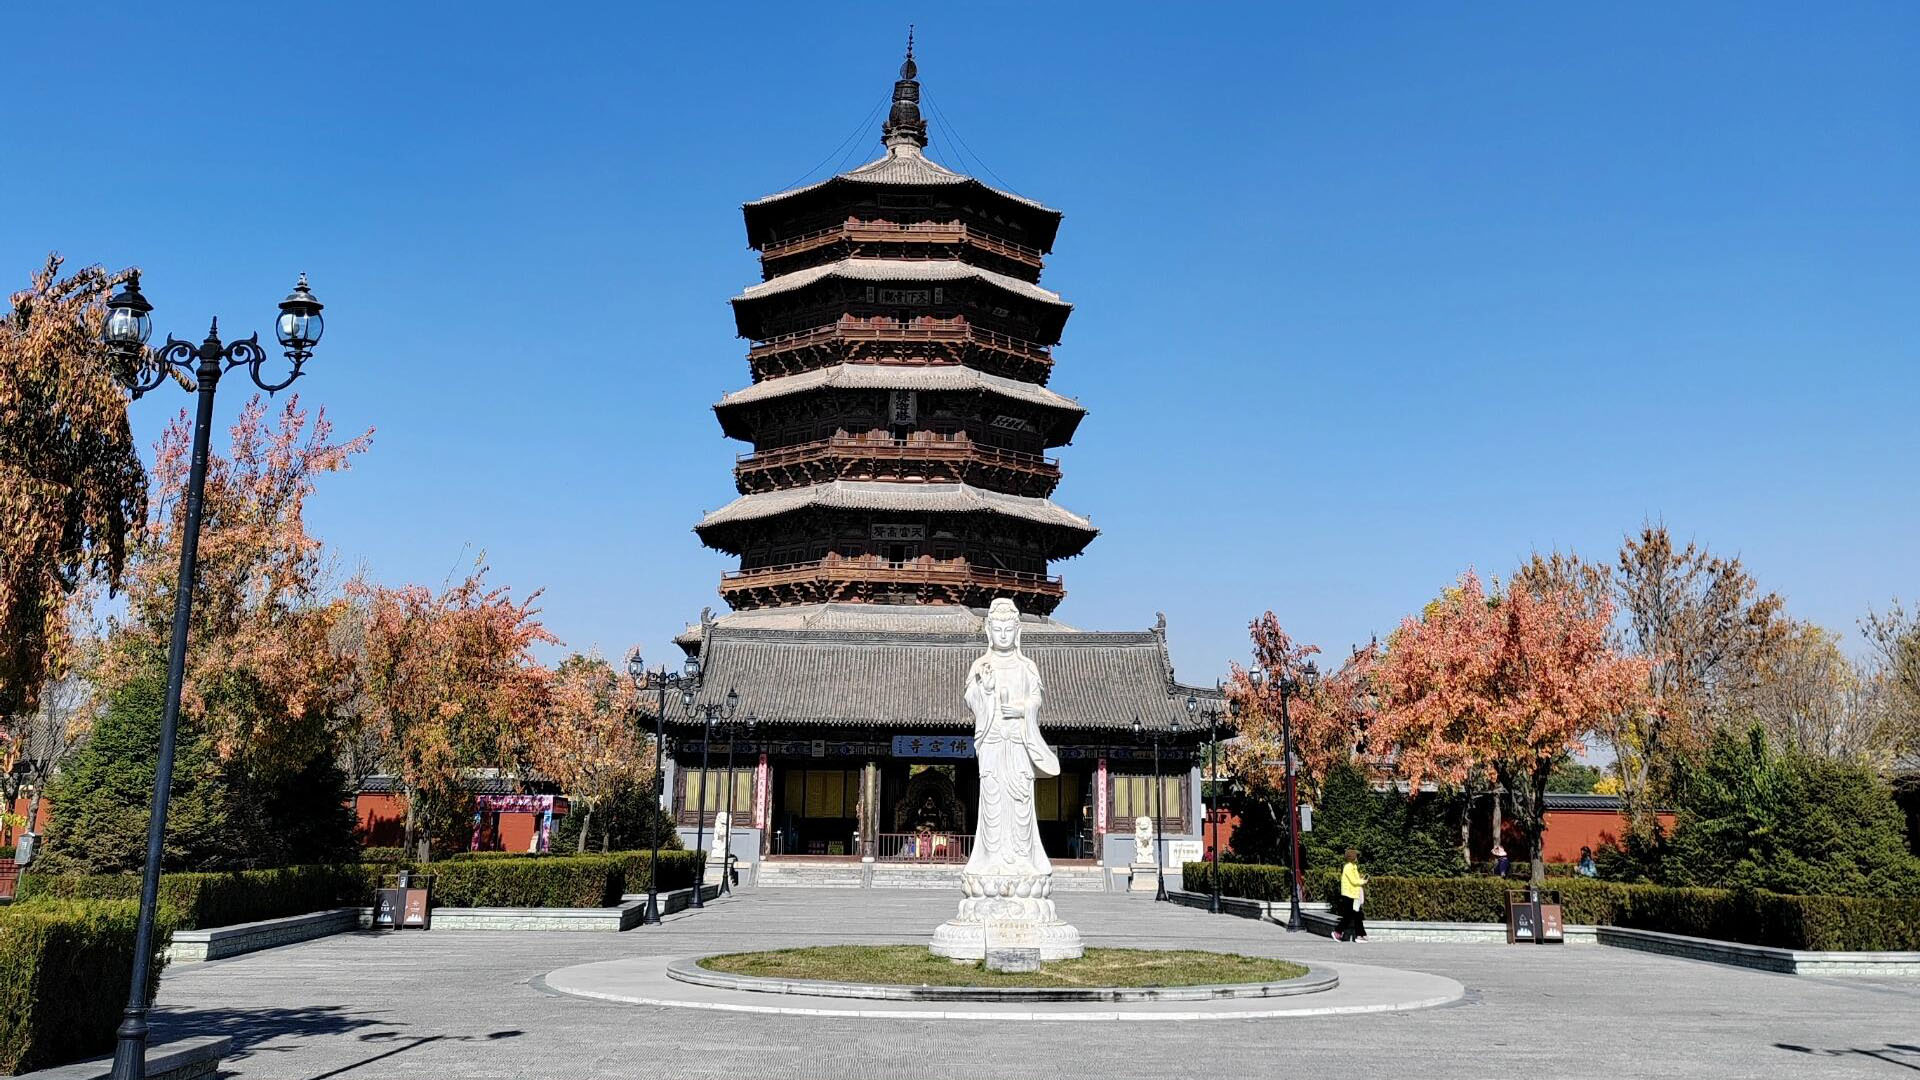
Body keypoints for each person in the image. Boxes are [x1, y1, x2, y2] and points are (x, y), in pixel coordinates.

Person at [1336, 847, 1368, 942]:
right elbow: (1354, 881)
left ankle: (1360, 935)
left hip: (1354, 895)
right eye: (1356, 856)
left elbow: (1355, 879)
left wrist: (1361, 879)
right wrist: (1363, 881)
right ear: (1352, 857)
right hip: (1349, 895)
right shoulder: (1348, 867)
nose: (1357, 858)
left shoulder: (1353, 866)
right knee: (1349, 916)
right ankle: (1338, 932)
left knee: (1357, 915)